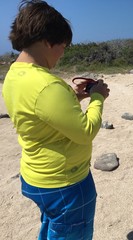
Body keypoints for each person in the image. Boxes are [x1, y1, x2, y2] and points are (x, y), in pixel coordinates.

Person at [2, 1, 110, 239]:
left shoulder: (14, 74)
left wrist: (75, 97)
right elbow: (85, 131)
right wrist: (97, 98)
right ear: (47, 41)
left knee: (53, 228)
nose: (63, 52)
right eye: (63, 45)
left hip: (36, 176)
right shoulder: (46, 84)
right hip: (65, 182)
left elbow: (39, 112)